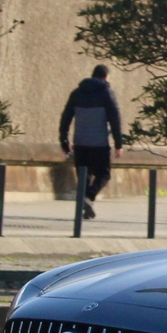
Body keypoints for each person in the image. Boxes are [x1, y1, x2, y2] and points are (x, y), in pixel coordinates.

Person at [57, 65, 125, 218]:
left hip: (80, 143)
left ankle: (86, 209)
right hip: (99, 144)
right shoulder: (106, 93)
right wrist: (118, 144)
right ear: (106, 77)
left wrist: (63, 139)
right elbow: (115, 120)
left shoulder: (76, 93)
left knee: (84, 177)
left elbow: (66, 117)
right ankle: (88, 198)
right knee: (104, 174)